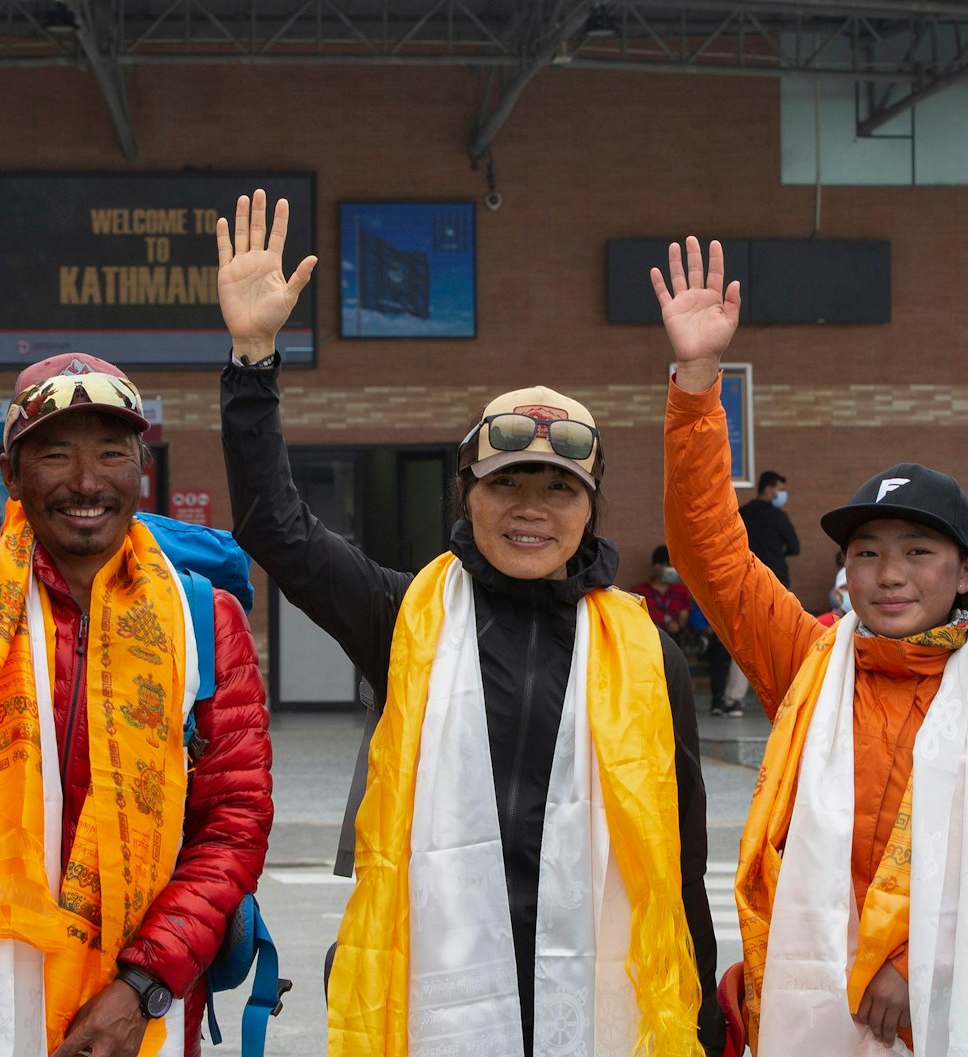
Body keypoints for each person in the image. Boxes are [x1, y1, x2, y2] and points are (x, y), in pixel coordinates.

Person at [217, 190, 723, 1056]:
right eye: (507, 485)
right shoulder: (405, 613)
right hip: (430, 990)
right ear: (468, 493)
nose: (532, 510)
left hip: (596, 990)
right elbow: (276, 526)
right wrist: (253, 359)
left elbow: (679, 858)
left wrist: (704, 1021)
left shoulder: (646, 651)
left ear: (591, 508)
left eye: (559, 489)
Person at [0, 104, 273, 1057]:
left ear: (141, 473)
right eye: (53, 454)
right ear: (13, 479)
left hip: (137, 1002)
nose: (85, 480)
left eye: (111, 452)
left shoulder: (206, 620)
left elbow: (233, 821)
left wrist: (146, 982)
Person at [655, 236, 968, 1054]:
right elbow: (711, 551)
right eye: (866, 551)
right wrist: (698, 384)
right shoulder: (809, 660)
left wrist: (921, 966)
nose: (889, 575)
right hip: (801, 1018)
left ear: (967, 572)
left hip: (942, 1022)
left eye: (918, 552)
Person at [739, 470, 800, 587]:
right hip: (776, 578)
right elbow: (794, 547)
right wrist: (778, 553)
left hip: (749, 578)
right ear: (768, 490)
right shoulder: (778, 516)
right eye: (780, 490)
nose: (783, 494)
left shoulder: (742, 513)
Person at [632, 545, 696, 640]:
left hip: (677, 640)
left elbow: (685, 615)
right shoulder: (640, 591)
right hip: (648, 639)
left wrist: (681, 620)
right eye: (669, 565)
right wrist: (665, 621)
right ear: (657, 567)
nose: (674, 570)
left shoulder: (681, 591)